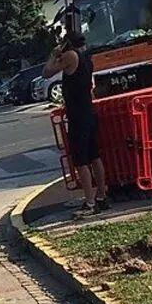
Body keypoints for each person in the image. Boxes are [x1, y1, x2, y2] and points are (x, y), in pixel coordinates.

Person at [43, 30, 109, 218]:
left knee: (81, 161)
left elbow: (47, 72)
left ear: (67, 44)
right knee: (95, 156)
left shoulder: (71, 56)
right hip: (88, 110)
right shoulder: (87, 58)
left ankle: (89, 203)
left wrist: (54, 54)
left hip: (77, 115)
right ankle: (101, 196)